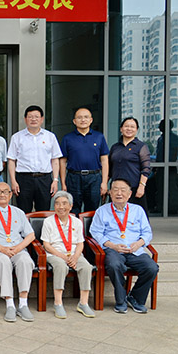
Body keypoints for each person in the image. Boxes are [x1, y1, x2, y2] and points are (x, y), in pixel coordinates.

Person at [90, 178, 158, 314]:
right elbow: (95, 232)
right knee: (114, 265)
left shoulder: (138, 210)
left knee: (152, 268)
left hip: (135, 250)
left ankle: (135, 298)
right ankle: (121, 301)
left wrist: (139, 243)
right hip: (113, 250)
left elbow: (147, 232)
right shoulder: (102, 211)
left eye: (123, 190)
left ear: (129, 193)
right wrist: (112, 245)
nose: (119, 193)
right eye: (115, 190)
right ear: (110, 193)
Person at [0, 181, 36, 322]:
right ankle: (10, 304)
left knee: (25, 261)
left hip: (17, 249)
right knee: (3, 262)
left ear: (10, 195)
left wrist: (19, 248)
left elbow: (31, 235)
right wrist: (1, 248)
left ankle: (23, 304)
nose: (2, 194)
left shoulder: (19, 212)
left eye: (5, 192)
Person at [41, 191, 95, 319]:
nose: (61, 207)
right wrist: (63, 257)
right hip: (55, 254)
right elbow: (46, 245)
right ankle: (58, 303)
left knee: (86, 267)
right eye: (57, 204)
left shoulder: (77, 222)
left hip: (74, 254)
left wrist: (75, 257)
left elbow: (80, 243)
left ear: (70, 206)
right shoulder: (48, 222)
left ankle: (83, 303)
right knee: (61, 267)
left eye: (64, 203)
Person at [8, 105, 62, 213]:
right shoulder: (17, 137)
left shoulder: (50, 137)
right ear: (25, 119)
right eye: (30, 117)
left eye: (36, 117)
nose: (33, 119)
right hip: (23, 179)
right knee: (23, 211)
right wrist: (13, 181)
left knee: (43, 211)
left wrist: (55, 180)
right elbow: (11, 160)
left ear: (42, 119)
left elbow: (55, 160)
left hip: (44, 179)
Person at [59, 108, 109, 216]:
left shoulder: (99, 137)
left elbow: (104, 160)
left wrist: (104, 182)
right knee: (73, 209)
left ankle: (90, 228)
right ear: (74, 121)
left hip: (94, 177)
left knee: (92, 209)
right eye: (79, 117)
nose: (83, 120)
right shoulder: (67, 138)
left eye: (86, 117)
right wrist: (63, 183)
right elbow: (62, 161)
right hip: (74, 177)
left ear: (91, 120)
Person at [109, 117, 151, 215]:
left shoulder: (141, 146)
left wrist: (142, 186)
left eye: (132, 127)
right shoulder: (115, 147)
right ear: (121, 129)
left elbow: (146, 169)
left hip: (134, 188)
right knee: (115, 216)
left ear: (136, 130)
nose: (129, 129)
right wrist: (105, 186)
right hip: (117, 190)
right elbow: (110, 169)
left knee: (136, 216)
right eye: (126, 126)